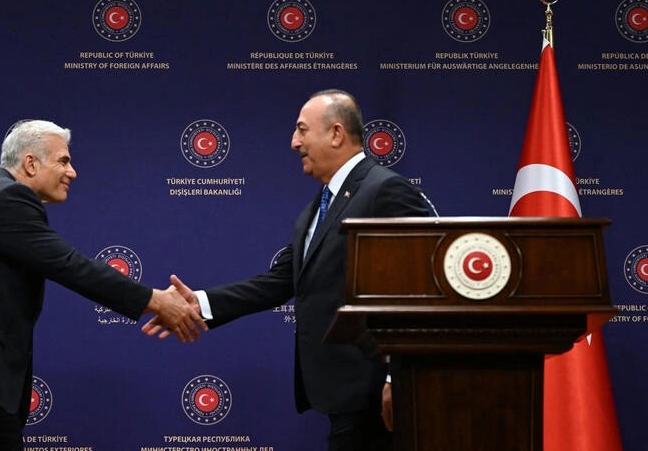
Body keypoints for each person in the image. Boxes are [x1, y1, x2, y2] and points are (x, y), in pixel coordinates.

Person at [146, 89, 433, 451]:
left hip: (376, 394)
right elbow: (280, 281)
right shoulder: (319, 207)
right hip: (345, 396)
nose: (294, 142)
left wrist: (398, 376)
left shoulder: (386, 190)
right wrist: (200, 304)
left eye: (302, 130)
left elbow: (420, 289)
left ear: (336, 133)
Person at [0, 119, 206, 451]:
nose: (73, 172)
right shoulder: (7, 198)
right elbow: (70, 265)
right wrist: (155, 300)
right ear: (30, 163)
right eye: (63, 161)